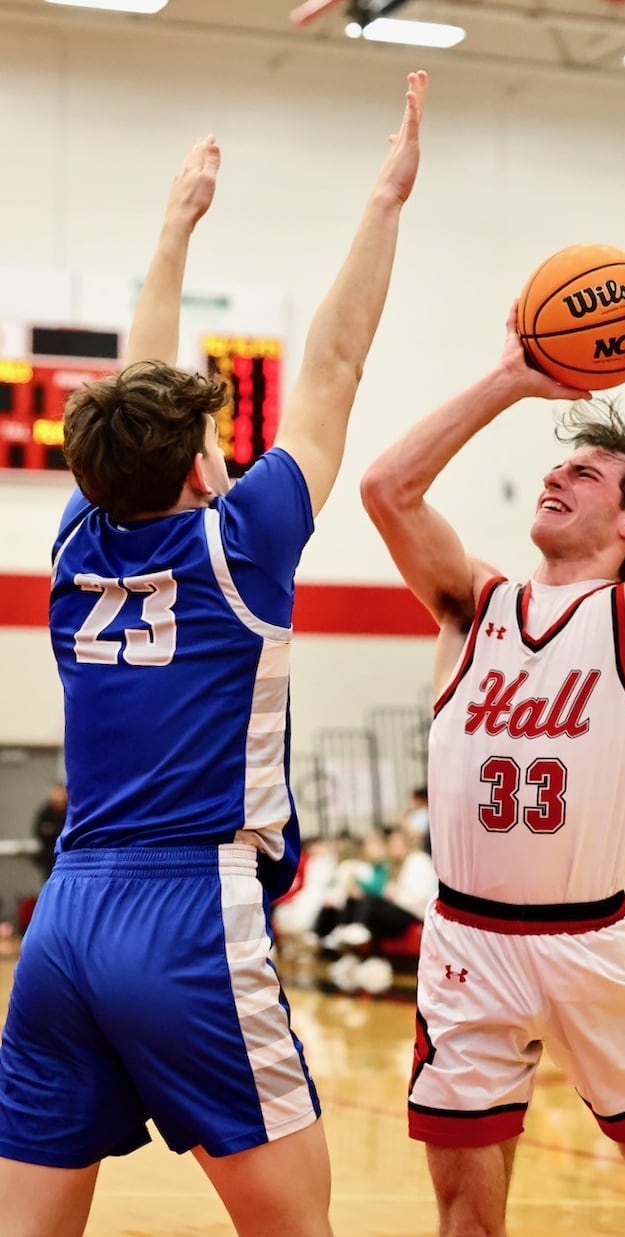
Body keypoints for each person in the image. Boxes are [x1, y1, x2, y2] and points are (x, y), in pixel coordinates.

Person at [0, 69, 427, 1237]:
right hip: (189, 913)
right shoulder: (242, 543)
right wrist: (384, 202)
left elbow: (143, 394)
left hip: (64, 923)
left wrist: (173, 229)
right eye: (212, 438)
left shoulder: (78, 544)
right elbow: (332, 368)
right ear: (199, 470)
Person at [361, 246, 625, 1230]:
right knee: (466, 1219)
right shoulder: (470, 602)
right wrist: (508, 377)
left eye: (582, 471)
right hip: (465, 943)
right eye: (557, 461)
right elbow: (384, 489)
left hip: (591, 946)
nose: (555, 472)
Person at [30, 780, 68, 879]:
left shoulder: (70, 811)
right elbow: (38, 831)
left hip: (65, 857)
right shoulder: (46, 812)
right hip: (48, 858)